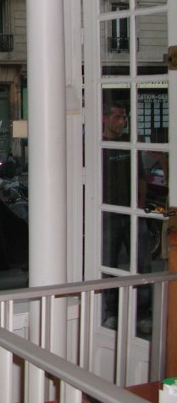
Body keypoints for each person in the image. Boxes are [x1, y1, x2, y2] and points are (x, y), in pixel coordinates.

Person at [101, 100, 153, 333]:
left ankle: (142, 314)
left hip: (132, 212)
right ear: (104, 118)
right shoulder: (97, 145)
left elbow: (141, 176)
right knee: (108, 266)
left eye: (124, 118)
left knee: (142, 265)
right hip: (107, 213)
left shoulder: (129, 143)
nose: (122, 122)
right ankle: (110, 312)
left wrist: (140, 206)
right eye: (117, 117)